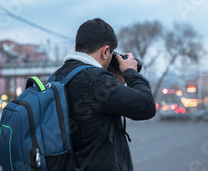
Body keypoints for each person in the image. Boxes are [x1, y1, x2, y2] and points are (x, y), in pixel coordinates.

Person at [55, 18, 156, 170]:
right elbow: (147, 106)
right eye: (111, 54)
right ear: (105, 51)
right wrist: (130, 72)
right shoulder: (97, 80)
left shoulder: (59, 76)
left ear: (76, 47)